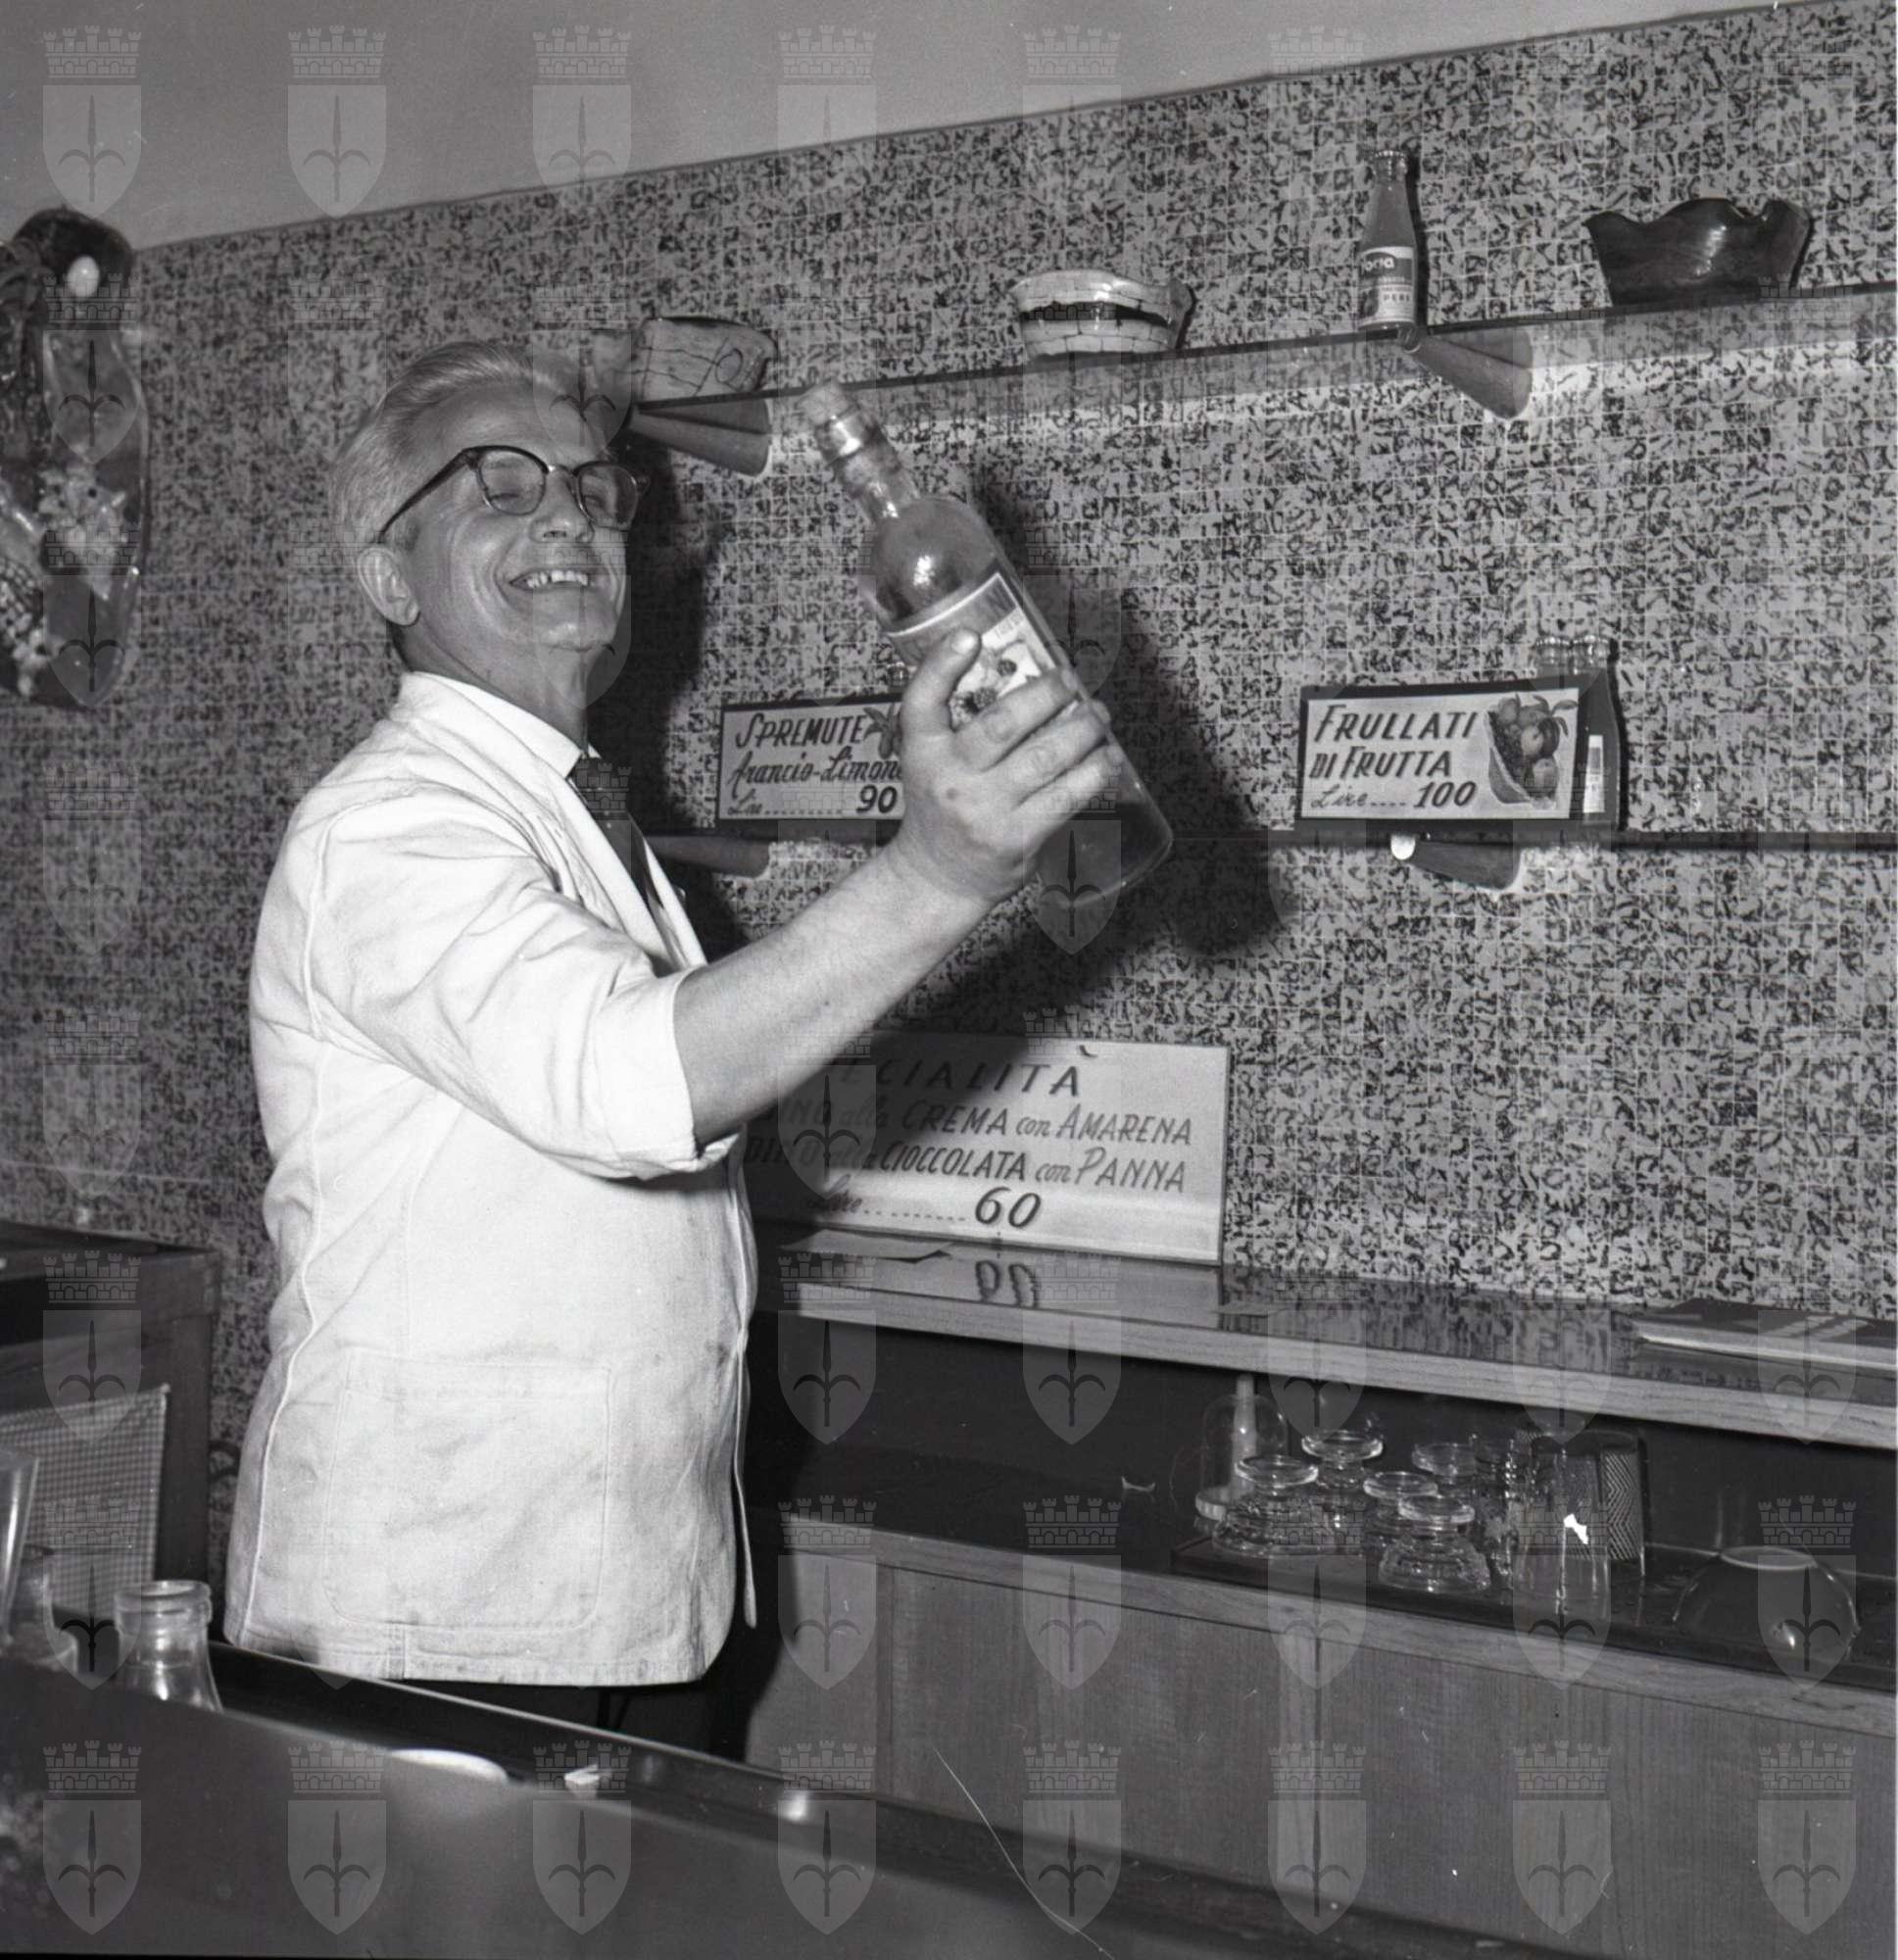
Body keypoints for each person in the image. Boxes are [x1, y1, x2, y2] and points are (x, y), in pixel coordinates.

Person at [224, 341, 1119, 1744]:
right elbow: (629, 1081)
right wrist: (936, 875)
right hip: (437, 1613)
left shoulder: (564, 807)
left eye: (592, 490)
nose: (568, 517)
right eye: (498, 485)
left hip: (623, 1594)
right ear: (389, 579)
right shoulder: (386, 827)